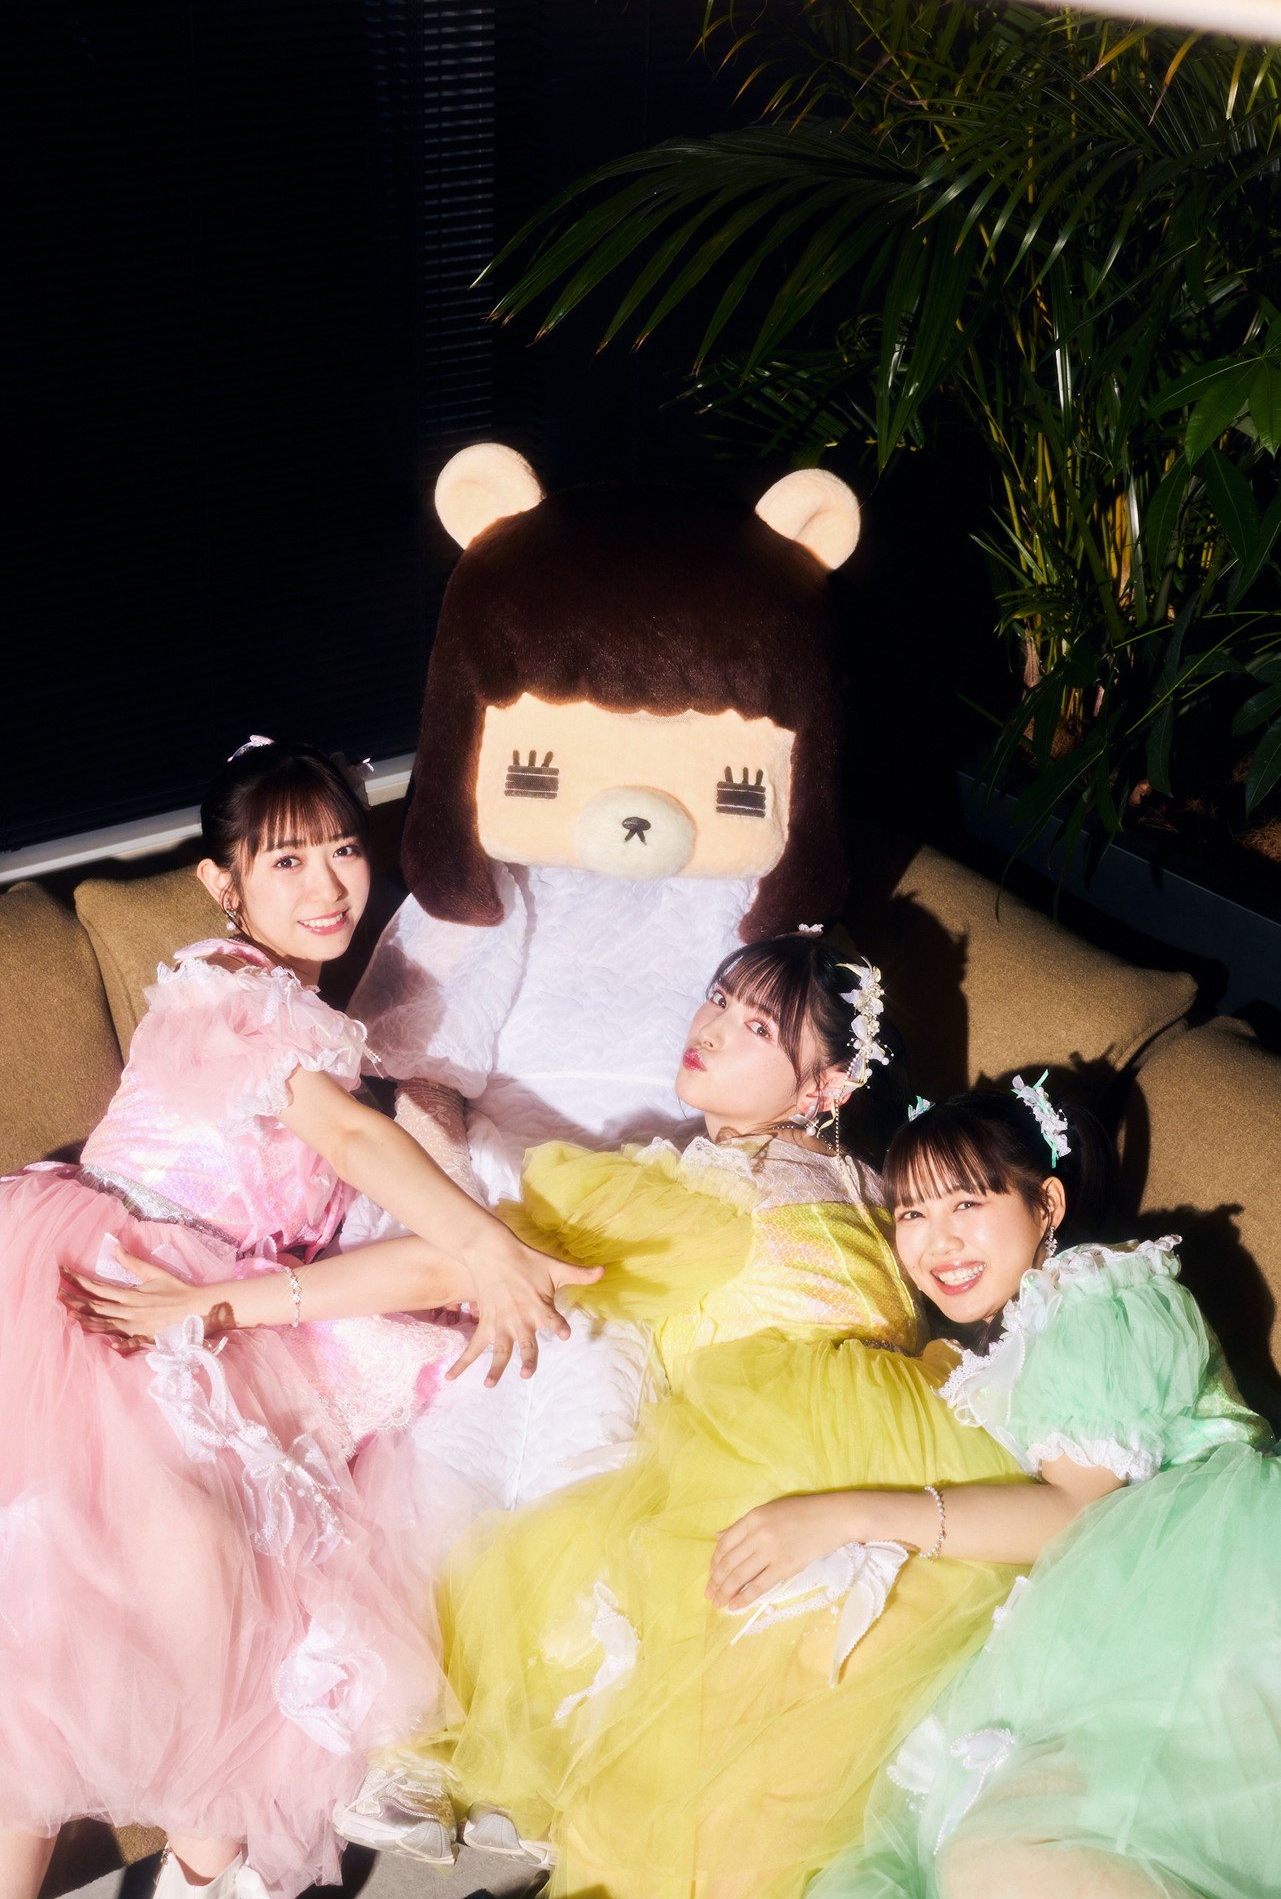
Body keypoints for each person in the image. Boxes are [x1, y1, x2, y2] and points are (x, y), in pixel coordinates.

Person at [5, 740, 591, 1899]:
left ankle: (201, 1871)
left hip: (212, 1311)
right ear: (222, 883)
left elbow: (361, 1187)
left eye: (344, 850)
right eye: (286, 861)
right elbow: (352, 1140)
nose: (328, 886)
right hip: (102, 1272)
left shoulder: (327, 1029)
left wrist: (480, 1249)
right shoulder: (226, 985)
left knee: (246, 1601)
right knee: (101, 1584)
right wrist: (484, 1246)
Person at [350, 935, 1034, 1898]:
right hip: (920, 1436)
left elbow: (477, 1257)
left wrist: (247, 1302)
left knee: (659, 1719)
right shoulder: (875, 1190)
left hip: (778, 1447)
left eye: (756, 1027)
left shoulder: (713, 1194)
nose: (710, 1029)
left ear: (824, 1089)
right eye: (718, 999)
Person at [806, 1083, 1277, 1899]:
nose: (937, 1240)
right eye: (912, 1212)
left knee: (1006, 1857)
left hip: (1218, 1591)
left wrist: (848, 1513)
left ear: (1046, 1203)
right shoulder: (1011, 1331)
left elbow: (1073, 1509)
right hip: (1115, 1612)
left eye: (966, 1202)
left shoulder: (1102, 1298)